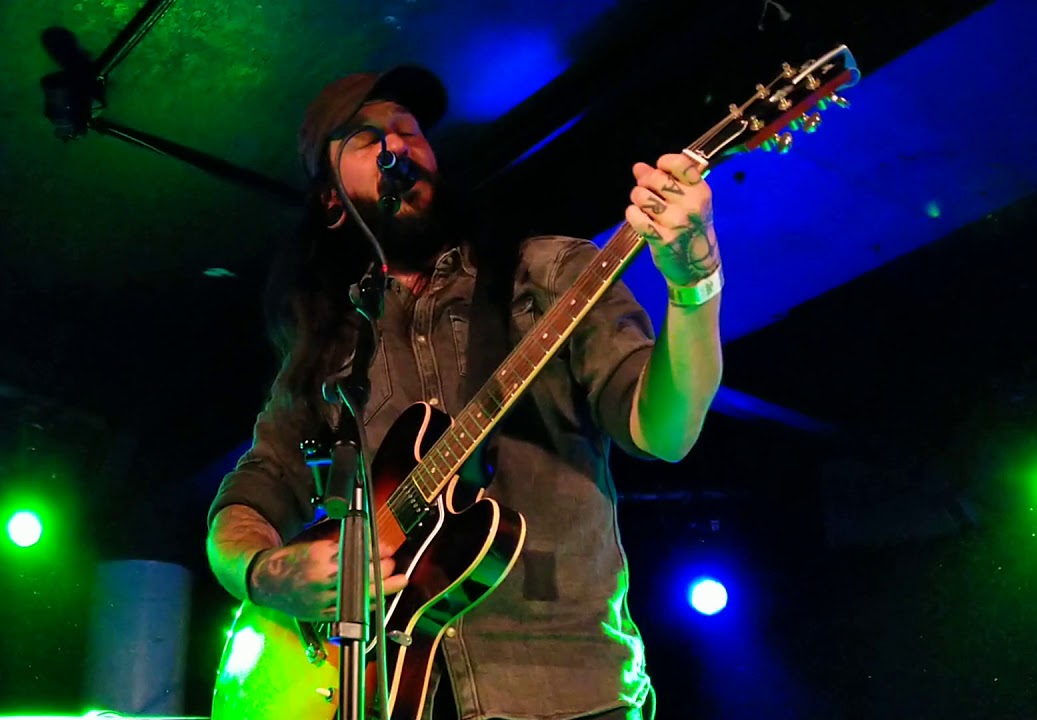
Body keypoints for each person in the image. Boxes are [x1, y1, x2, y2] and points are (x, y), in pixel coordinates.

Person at [206, 64, 724, 720]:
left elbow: (667, 430)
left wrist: (694, 281)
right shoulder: (331, 348)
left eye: (412, 132)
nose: (400, 146)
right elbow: (246, 502)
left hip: (567, 692)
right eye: (370, 139)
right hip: (391, 698)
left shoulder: (548, 271)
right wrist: (270, 578)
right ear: (333, 202)